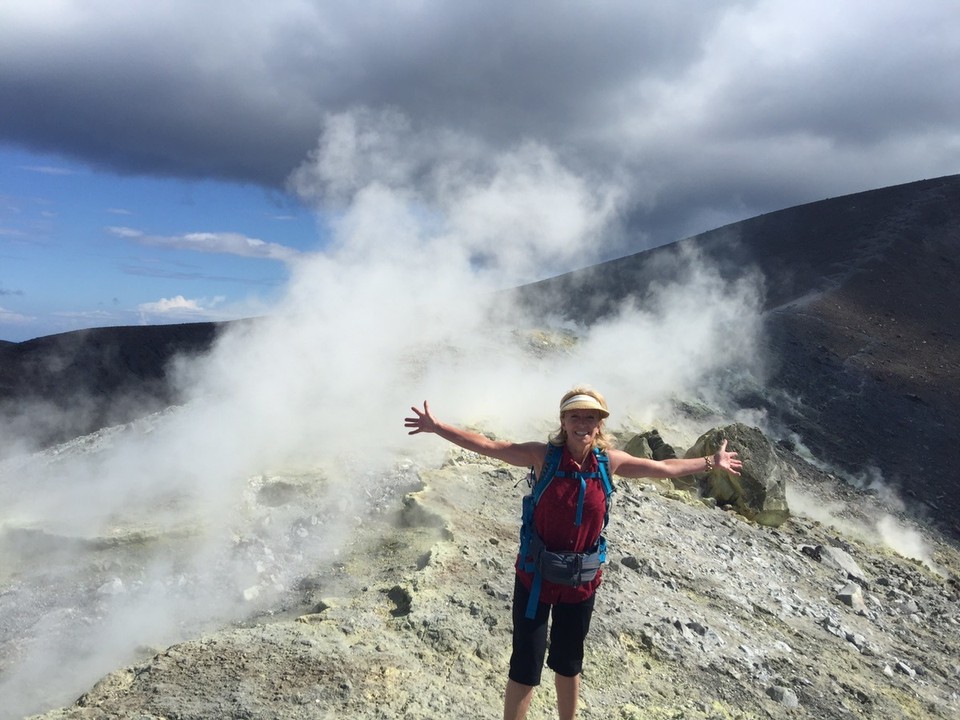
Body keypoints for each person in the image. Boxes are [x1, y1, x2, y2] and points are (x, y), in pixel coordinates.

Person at [404, 386, 742, 720]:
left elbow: (664, 468)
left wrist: (710, 462)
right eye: (575, 416)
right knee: (526, 664)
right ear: (563, 421)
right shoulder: (543, 457)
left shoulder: (609, 462)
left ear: (600, 424)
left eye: (590, 417)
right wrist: (438, 427)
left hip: (581, 582)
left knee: (568, 663)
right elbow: (491, 447)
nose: (583, 423)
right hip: (535, 577)